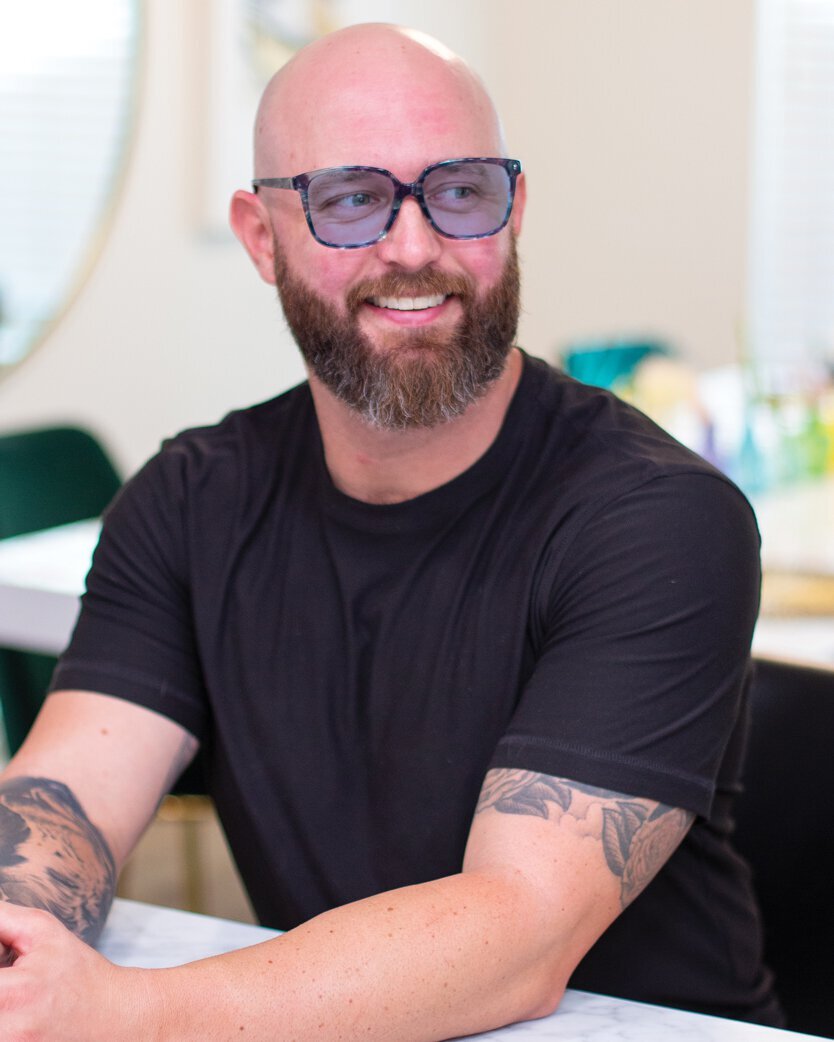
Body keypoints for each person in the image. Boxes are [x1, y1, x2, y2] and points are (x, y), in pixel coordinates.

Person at [0, 22, 779, 1041]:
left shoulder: (658, 520)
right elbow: (63, 804)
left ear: (514, 211)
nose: (414, 248)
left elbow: (519, 933)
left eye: (459, 191)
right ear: (260, 234)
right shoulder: (188, 499)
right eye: (352, 198)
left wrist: (127, 1012)